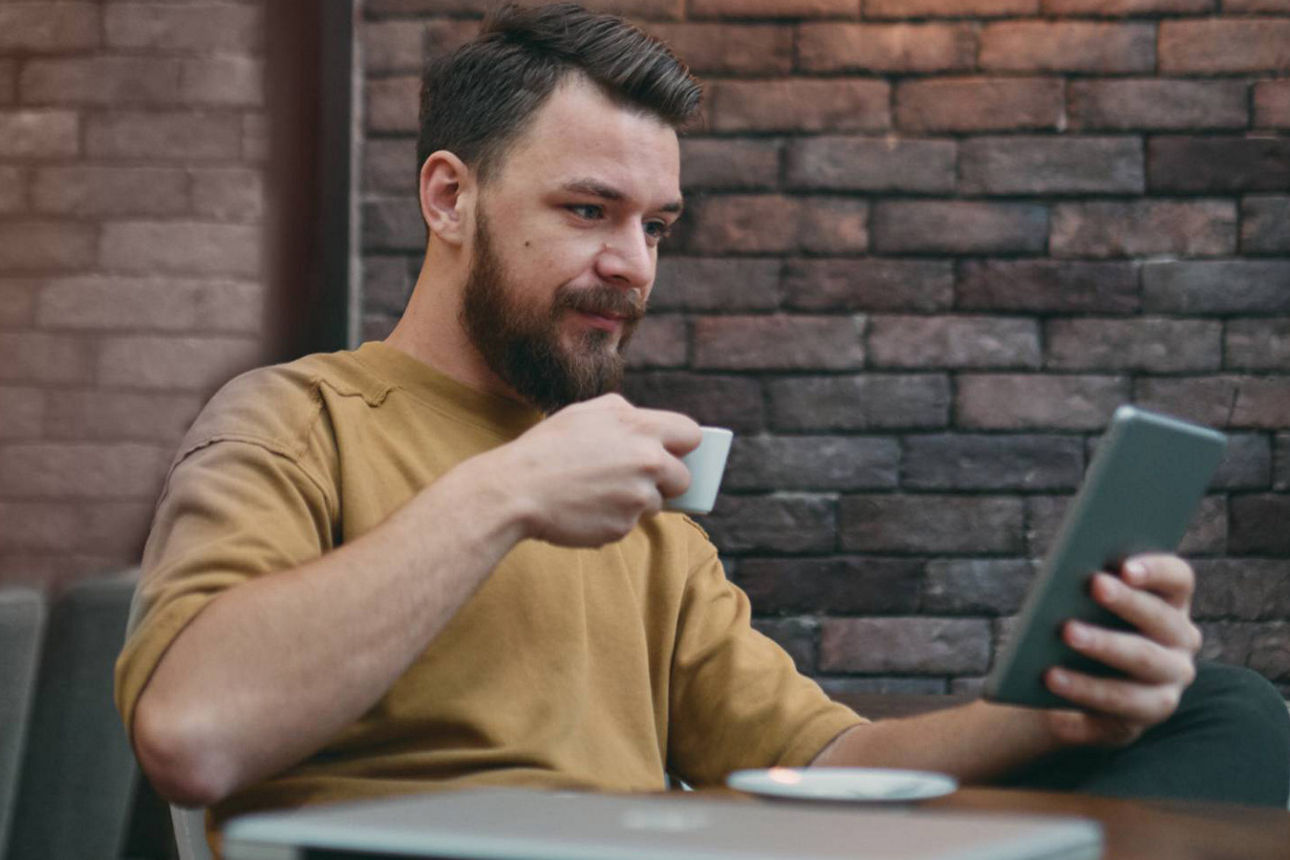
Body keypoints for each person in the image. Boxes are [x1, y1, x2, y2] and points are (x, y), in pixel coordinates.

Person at [116, 3, 1289, 854]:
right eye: (587, 211)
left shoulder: (630, 500)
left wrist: (1051, 710)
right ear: (448, 198)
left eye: (657, 226)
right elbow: (193, 733)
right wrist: (504, 492)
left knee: (1225, 709)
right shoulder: (299, 418)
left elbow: (821, 763)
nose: (630, 265)